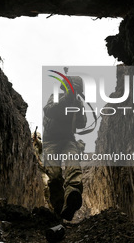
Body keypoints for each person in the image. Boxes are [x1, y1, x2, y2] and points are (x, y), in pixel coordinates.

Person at [42, 75, 87, 221]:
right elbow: (49, 110)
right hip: (51, 141)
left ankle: (71, 198)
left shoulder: (78, 102)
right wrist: (66, 99)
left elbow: (82, 124)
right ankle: (58, 208)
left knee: (73, 167)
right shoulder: (55, 96)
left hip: (68, 140)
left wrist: (78, 108)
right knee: (54, 175)